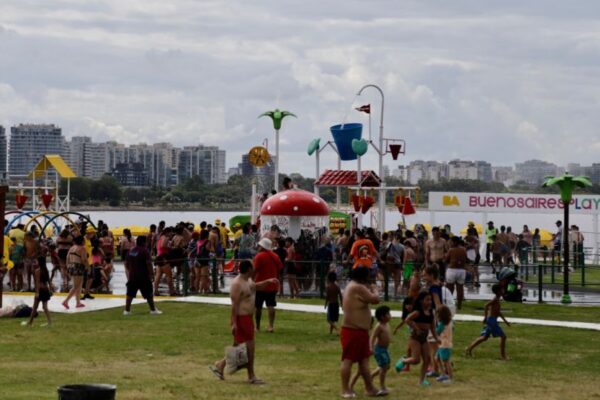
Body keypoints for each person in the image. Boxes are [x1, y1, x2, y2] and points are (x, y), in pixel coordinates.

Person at [209, 260, 279, 384]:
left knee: (238, 347)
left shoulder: (248, 280)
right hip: (242, 319)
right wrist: (234, 323)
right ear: (248, 269)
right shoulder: (237, 284)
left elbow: (254, 287)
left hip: (248, 318)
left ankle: (220, 365)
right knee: (249, 348)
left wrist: (268, 282)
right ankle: (251, 376)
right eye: (252, 266)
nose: (254, 267)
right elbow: (234, 306)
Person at [340, 267, 382, 398]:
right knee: (348, 360)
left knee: (364, 361)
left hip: (359, 331)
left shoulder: (352, 286)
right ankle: (345, 390)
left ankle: (370, 388)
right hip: (353, 330)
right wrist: (375, 288)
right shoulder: (358, 287)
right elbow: (375, 299)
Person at [395, 291, 438, 386]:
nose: (430, 301)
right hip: (415, 338)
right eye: (427, 299)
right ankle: (403, 360)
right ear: (421, 301)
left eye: (430, 299)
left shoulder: (431, 313)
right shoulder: (417, 312)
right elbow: (407, 319)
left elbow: (433, 328)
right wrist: (416, 328)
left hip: (424, 339)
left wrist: (436, 338)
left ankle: (422, 381)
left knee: (427, 359)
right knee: (416, 360)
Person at [466, 283, 511, 359]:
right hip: (492, 321)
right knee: (503, 337)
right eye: (502, 289)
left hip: (492, 320)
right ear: (499, 291)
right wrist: (485, 317)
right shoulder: (495, 299)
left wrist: (505, 321)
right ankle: (503, 356)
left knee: (484, 338)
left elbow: (498, 312)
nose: (503, 290)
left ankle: (469, 349)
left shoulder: (497, 299)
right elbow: (486, 306)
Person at [123, 236, 162, 315]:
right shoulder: (145, 251)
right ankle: (153, 309)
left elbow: (126, 264)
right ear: (144, 242)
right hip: (144, 276)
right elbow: (148, 263)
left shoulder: (131, 251)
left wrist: (131, 270)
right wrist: (151, 274)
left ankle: (127, 310)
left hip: (132, 276)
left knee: (130, 294)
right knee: (149, 294)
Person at [253, 238, 283, 332]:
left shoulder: (259, 256)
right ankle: (271, 326)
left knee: (258, 307)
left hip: (260, 285)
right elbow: (280, 269)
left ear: (262, 246)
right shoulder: (275, 256)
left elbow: (254, 270)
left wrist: (250, 281)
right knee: (271, 305)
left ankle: (257, 327)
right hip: (272, 285)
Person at [370, 306, 392, 395]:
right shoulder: (379, 326)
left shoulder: (386, 324)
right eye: (388, 314)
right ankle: (382, 387)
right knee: (384, 367)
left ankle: (371, 376)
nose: (390, 315)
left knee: (386, 366)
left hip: (385, 349)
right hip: (379, 349)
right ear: (382, 317)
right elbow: (372, 337)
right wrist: (371, 348)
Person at [24, 255, 52, 327]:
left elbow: (37, 282)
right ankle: (49, 322)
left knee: (34, 308)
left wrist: (37, 293)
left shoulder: (37, 271)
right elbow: (49, 281)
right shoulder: (46, 270)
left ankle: (30, 322)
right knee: (45, 307)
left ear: (39, 262)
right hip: (46, 290)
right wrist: (50, 290)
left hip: (40, 291)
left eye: (36, 261)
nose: (35, 262)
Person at [62, 235, 88, 309]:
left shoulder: (72, 247)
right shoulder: (82, 248)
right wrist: (88, 267)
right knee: (76, 286)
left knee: (79, 285)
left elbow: (67, 257)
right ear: (82, 241)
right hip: (78, 267)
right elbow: (84, 260)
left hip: (71, 266)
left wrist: (68, 266)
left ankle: (78, 302)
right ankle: (66, 301)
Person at [444, 236, 467, 310]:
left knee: (449, 289)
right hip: (461, 270)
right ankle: (459, 305)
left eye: (451, 242)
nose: (450, 243)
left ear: (455, 242)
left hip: (452, 270)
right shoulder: (463, 250)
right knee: (460, 289)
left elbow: (446, 260)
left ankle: (449, 304)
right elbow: (465, 260)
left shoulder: (451, 250)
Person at [434, 305, 453, 383]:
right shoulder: (449, 322)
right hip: (445, 344)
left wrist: (435, 322)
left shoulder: (442, 324)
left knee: (446, 361)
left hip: (444, 345)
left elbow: (437, 332)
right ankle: (443, 374)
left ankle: (450, 378)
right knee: (437, 358)